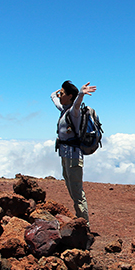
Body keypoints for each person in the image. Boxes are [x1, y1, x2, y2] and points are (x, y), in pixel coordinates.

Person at [51, 80, 97, 223]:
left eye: (63, 94)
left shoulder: (73, 112)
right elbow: (52, 97)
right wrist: (57, 92)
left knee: (77, 193)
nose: (60, 96)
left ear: (70, 96)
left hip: (74, 157)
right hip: (65, 156)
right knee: (71, 189)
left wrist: (81, 94)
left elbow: (77, 104)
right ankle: (80, 221)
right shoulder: (63, 110)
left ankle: (84, 225)